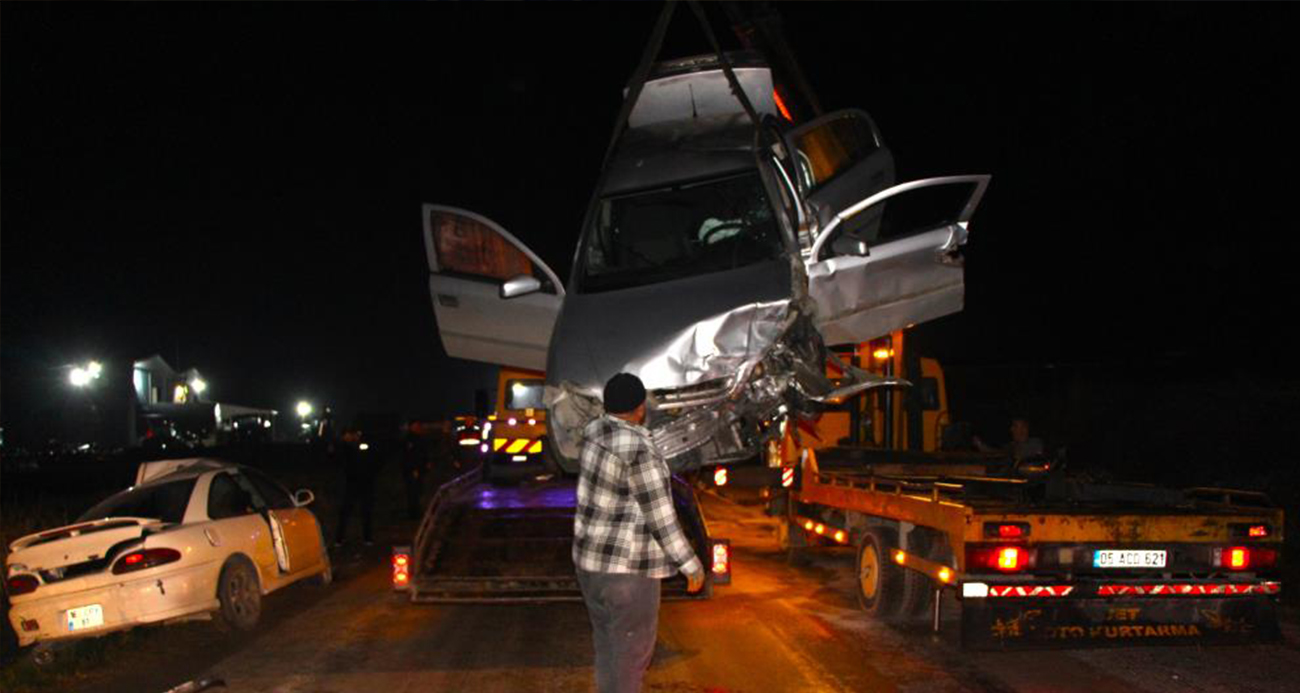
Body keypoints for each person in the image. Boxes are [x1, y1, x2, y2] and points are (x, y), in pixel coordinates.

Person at [573, 372, 705, 693]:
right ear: (640, 407)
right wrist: (690, 565)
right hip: (628, 571)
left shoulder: (593, 433)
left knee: (608, 645)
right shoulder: (638, 450)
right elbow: (661, 517)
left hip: (590, 567)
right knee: (631, 655)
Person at [975, 416, 1044, 462]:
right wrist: (982, 447)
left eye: (1015, 426)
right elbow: (996, 453)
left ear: (1024, 429)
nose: (1011, 429)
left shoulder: (1035, 443)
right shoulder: (1011, 445)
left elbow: (1016, 454)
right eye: (1012, 426)